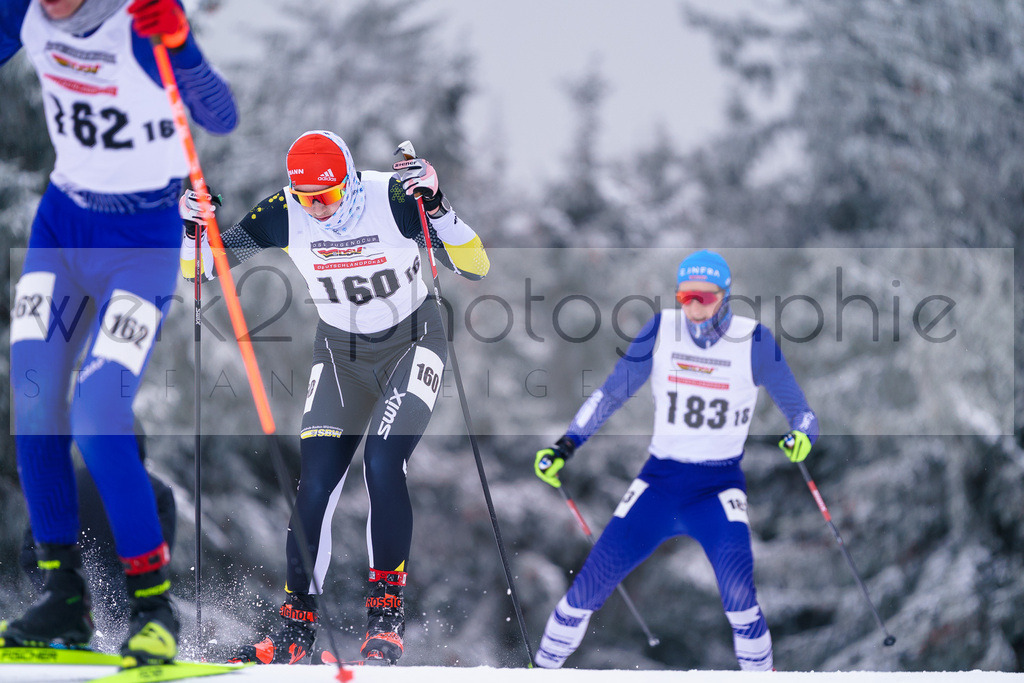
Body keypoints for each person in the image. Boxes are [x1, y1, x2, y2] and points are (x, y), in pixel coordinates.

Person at [177, 130, 489, 665]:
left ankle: (385, 620)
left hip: (413, 342)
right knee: (316, 481)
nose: (317, 209)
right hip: (341, 354)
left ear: (347, 178)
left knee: (383, 462)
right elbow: (202, 272)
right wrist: (193, 231)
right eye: (306, 197)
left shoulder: (391, 199)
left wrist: (437, 207)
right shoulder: (283, 211)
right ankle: (296, 630)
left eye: (327, 194)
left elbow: (474, 264)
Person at [0, 0, 237, 667]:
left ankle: (152, 608)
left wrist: (183, 43)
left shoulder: (137, 22)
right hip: (61, 229)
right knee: (34, 396)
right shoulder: (25, 12)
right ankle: (63, 598)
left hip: (143, 241)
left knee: (99, 412)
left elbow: (220, 115)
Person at [532, 250, 818, 671]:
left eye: (706, 297)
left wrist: (801, 437)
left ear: (726, 295)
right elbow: (612, 393)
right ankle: (540, 671)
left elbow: (802, 412)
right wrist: (566, 445)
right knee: (585, 590)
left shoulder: (753, 339)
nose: (696, 307)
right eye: (686, 297)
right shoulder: (662, 329)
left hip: (717, 490)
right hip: (659, 484)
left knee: (741, 600)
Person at [20, 425, 177, 652]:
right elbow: (159, 557)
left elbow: (29, 553)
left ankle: (67, 623)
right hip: (132, 605)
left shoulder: (62, 486)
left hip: (62, 603)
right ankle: (150, 634)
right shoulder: (156, 490)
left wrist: (57, 593)